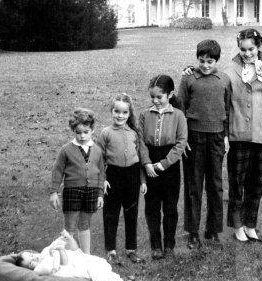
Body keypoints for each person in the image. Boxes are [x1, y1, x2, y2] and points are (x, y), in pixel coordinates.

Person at [225, 28, 262, 243]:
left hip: (260, 136)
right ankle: (237, 225)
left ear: (259, 47)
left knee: (256, 183)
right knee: (237, 182)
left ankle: (250, 224)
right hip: (238, 134)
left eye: (251, 49)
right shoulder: (229, 72)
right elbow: (225, 105)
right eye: (243, 49)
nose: (247, 53)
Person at [177, 39, 231, 249]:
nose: (206, 65)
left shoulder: (224, 80)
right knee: (194, 186)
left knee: (215, 186)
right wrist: (184, 138)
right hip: (194, 138)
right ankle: (192, 231)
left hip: (217, 137)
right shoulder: (188, 79)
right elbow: (180, 109)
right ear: (197, 59)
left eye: (210, 61)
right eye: (202, 61)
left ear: (217, 60)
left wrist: (225, 135)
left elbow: (227, 110)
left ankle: (213, 230)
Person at [138, 75, 188, 259]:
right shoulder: (144, 115)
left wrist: (164, 164)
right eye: (152, 97)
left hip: (170, 166)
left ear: (170, 94)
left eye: (160, 97)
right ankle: (156, 245)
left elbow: (181, 143)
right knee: (152, 207)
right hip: (150, 162)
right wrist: (147, 163)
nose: (155, 101)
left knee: (170, 207)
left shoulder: (178, 115)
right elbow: (140, 142)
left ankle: (169, 244)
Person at [96, 94, 146, 264]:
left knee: (131, 213)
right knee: (111, 214)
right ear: (112, 111)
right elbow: (98, 159)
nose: (120, 115)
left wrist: (143, 180)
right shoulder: (105, 133)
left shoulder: (134, 133)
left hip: (132, 176)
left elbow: (140, 157)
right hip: (113, 177)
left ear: (129, 113)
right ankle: (110, 249)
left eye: (124, 112)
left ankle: (131, 249)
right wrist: (102, 180)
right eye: (117, 111)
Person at [50, 108, 104, 255]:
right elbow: (58, 170)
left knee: (85, 224)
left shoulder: (97, 150)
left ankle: (86, 256)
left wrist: (100, 194)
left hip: (91, 191)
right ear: (73, 130)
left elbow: (101, 173)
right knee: (70, 227)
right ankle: (68, 256)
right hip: (72, 191)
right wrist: (54, 191)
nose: (82, 136)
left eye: (85, 132)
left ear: (92, 130)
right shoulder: (66, 150)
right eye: (78, 132)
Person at [15, 230, 131, 281]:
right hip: (65, 267)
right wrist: (56, 253)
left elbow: (53, 245)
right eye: (30, 263)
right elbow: (57, 266)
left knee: (87, 259)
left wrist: (61, 240)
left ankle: (68, 241)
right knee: (72, 266)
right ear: (29, 268)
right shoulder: (38, 269)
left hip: (70, 257)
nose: (34, 258)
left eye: (31, 256)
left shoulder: (44, 252)